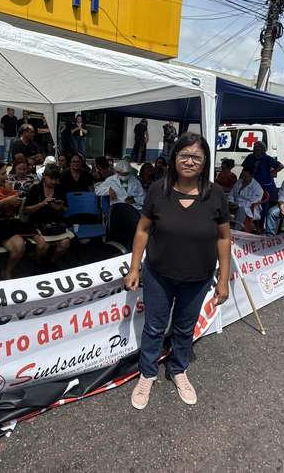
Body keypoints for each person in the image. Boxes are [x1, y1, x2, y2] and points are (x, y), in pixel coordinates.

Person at [123, 132, 230, 409]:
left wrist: (223, 279)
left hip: (198, 278)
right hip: (158, 275)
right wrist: (134, 268)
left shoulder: (216, 194)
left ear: (205, 161)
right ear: (174, 158)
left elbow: (224, 238)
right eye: (184, 155)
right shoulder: (158, 190)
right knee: (154, 327)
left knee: (184, 328)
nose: (190, 161)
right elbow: (142, 230)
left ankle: (178, 368)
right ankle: (147, 373)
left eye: (196, 157)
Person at [25, 163, 71, 267]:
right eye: (51, 179)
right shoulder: (36, 189)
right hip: (37, 224)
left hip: (55, 224)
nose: (54, 182)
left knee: (65, 243)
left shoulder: (59, 189)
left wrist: (60, 207)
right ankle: (38, 264)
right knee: (43, 245)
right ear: (44, 176)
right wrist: (42, 204)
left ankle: (51, 263)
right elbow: (27, 210)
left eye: (56, 179)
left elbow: (65, 208)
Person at [241, 141, 284, 214]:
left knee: (263, 207)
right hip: (252, 185)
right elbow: (244, 169)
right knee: (250, 205)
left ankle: (261, 219)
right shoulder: (250, 157)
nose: (254, 151)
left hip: (265, 186)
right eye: (254, 149)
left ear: (262, 150)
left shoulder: (267, 158)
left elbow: (281, 166)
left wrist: (272, 172)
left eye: (257, 149)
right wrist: (240, 180)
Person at [228, 166, 265, 233]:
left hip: (249, 208)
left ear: (251, 176)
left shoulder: (257, 188)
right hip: (234, 205)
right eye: (243, 176)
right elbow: (231, 194)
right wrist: (231, 202)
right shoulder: (239, 182)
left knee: (241, 210)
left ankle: (236, 231)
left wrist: (238, 205)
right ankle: (223, 227)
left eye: (246, 176)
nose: (243, 178)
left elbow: (253, 202)